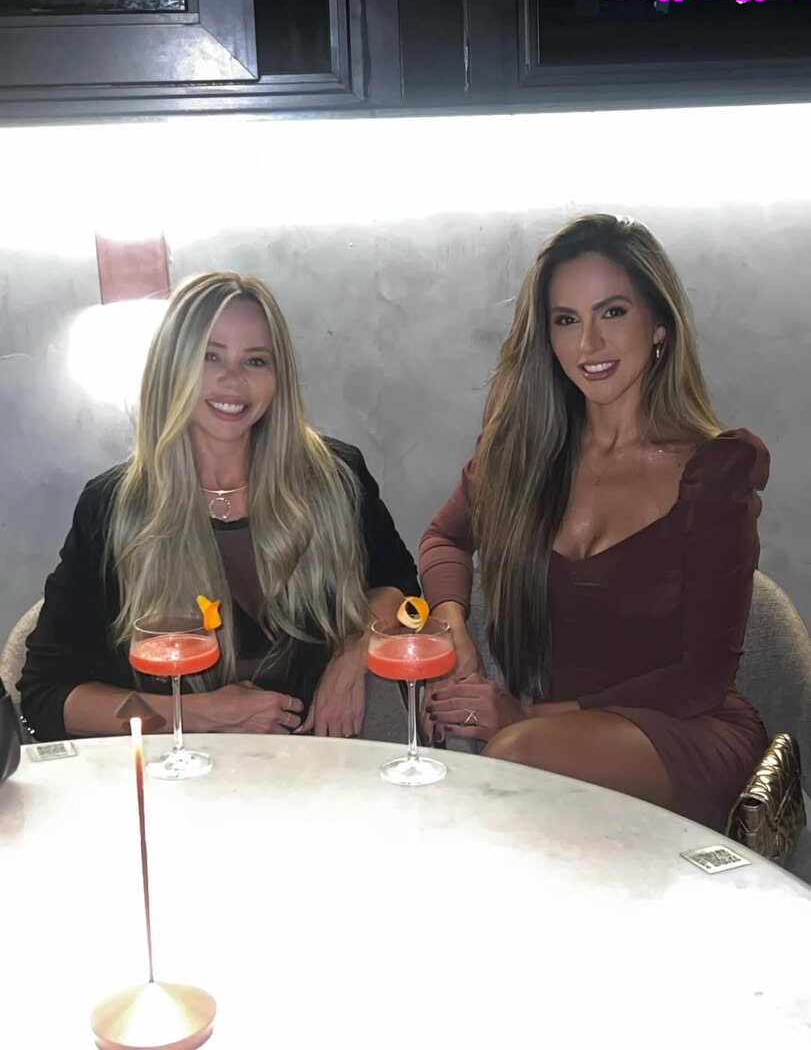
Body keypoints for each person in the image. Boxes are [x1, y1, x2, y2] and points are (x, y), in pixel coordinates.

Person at [419, 214, 769, 831]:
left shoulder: (714, 471)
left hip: (683, 733)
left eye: (612, 312)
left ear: (658, 325)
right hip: (551, 740)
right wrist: (450, 628)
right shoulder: (519, 456)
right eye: (566, 320)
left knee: (515, 759)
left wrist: (530, 717)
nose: (589, 344)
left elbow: (703, 678)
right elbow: (444, 537)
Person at [20, 271, 418, 743]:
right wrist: (198, 714)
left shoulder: (337, 477)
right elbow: (47, 695)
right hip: (177, 770)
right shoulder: (111, 508)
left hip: (324, 765)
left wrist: (356, 650)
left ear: (279, 379)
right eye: (210, 356)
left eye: (256, 360)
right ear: (173, 366)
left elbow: (400, 588)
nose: (233, 379)